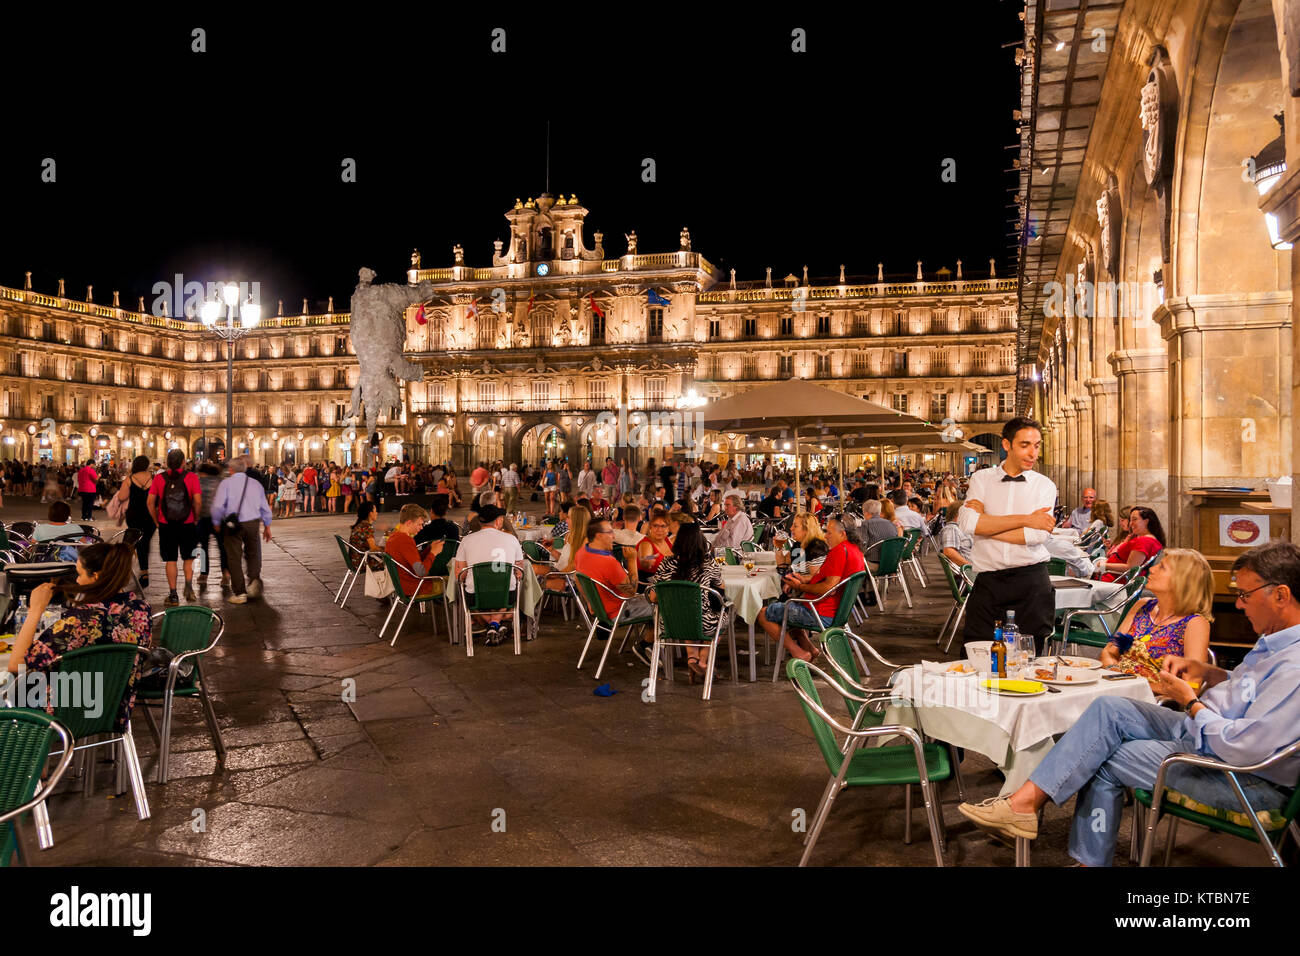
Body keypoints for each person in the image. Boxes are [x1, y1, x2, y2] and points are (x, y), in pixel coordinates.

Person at [959, 540, 1300, 866]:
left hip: (1239, 774)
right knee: (1107, 711)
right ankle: (1025, 804)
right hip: (1204, 729)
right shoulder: (1273, 642)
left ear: (1281, 595)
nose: (1238, 604)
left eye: (1244, 594)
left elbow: (1243, 746)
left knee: (1101, 753)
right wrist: (1211, 673)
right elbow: (1249, 692)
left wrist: (1192, 701)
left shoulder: (1292, 664)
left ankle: (1044, 822)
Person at [6, 541, 152, 731]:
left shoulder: (80, 620)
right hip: (114, 706)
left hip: (69, 713)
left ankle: (19, 757)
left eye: (80, 574)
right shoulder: (141, 610)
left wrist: (35, 610)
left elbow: (16, 664)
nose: (76, 580)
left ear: (96, 576)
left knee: (10, 690)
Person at [954, 417, 1059, 653]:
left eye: (1037, 445)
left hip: (1031, 582)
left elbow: (1035, 536)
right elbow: (968, 523)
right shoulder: (981, 479)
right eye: (1025, 445)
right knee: (975, 653)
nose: (1033, 453)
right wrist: (1026, 519)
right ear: (1006, 445)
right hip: (988, 583)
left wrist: (986, 527)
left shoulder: (1045, 486)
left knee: (1029, 658)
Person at [1099, 548, 1213, 693]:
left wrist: (1136, 686)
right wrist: (1116, 676)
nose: (1152, 569)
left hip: (1149, 701)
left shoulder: (1195, 623)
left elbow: (1192, 686)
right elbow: (1109, 652)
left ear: (1182, 581)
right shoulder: (1143, 605)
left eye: (1162, 567)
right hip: (1114, 686)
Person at [760, 516, 865, 662]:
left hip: (821, 612)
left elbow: (829, 587)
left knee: (763, 613)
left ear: (842, 534)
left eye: (829, 532)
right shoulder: (854, 549)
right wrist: (805, 579)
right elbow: (828, 579)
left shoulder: (837, 551)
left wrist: (800, 586)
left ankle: (798, 653)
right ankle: (810, 649)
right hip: (837, 611)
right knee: (789, 610)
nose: (826, 536)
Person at [646, 520, 725, 679]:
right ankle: (703, 659)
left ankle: (692, 658)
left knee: (685, 610)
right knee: (723, 614)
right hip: (703, 623)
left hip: (670, 623)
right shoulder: (708, 563)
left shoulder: (666, 563)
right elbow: (722, 587)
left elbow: (653, 597)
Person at [454, 504, 525, 646]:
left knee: (472, 595)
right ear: (499, 521)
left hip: (476, 597)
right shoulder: (512, 539)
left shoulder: (466, 540)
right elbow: (519, 573)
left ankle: (492, 625)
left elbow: (460, 576)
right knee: (507, 600)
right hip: (506, 594)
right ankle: (496, 624)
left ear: (480, 522)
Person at [575, 517, 652, 642]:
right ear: (599, 536)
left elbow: (577, 578)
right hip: (619, 611)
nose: (614, 537)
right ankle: (646, 645)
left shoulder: (582, 552)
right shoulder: (608, 563)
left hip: (601, 611)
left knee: (654, 600)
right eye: (610, 532)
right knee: (665, 606)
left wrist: (590, 601)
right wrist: (632, 560)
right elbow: (631, 591)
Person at [211, 455, 274, 605]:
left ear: (231, 469)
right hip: (252, 523)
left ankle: (240, 592)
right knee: (253, 553)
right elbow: (265, 507)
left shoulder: (226, 484)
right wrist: (267, 526)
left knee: (234, 557)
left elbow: (218, 506)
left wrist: (216, 522)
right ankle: (253, 581)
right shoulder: (255, 484)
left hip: (234, 525)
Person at [147, 448, 202, 607]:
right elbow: (198, 501)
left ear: (167, 462)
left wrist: (157, 521)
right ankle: (189, 588)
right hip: (187, 523)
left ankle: (173, 595)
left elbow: (150, 503)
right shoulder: (191, 477)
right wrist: (196, 517)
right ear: (184, 462)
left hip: (166, 524)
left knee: (170, 559)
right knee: (188, 558)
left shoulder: (159, 478)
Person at [112, 454, 156, 590]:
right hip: (150, 516)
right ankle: (144, 572)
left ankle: (121, 572)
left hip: (134, 516)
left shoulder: (130, 480)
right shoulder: (154, 479)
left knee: (131, 544)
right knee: (144, 542)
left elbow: (122, 496)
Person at [1099, 506, 1165, 582]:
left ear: (1146, 521)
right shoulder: (1145, 539)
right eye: (1130, 520)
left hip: (1114, 579)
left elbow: (1130, 568)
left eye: (1134, 519)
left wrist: (1103, 565)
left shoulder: (1144, 541)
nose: (1131, 523)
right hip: (1112, 576)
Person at [194, 459, 230, 588]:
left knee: (203, 547)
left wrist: (195, 517)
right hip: (220, 518)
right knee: (222, 547)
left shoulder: (198, 482)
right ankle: (226, 574)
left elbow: (196, 501)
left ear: (202, 472)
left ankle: (204, 574)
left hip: (203, 518)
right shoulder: (221, 481)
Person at [860, 498, 901, 565]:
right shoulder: (891, 523)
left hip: (873, 564)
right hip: (891, 563)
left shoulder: (866, 524)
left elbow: (863, 546)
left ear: (866, 513)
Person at [636, 512, 674, 584]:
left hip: (668, 582)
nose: (659, 529)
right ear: (650, 527)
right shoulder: (646, 544)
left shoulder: (667, 540)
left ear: (668, 528)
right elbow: (645, 558)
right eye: (655, 526)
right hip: (650, 586)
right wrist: (648, 558)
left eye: (663, 526)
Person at [349, 500, 385, 572]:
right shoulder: (366, 527)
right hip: (363, 563)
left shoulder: (360, 524)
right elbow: (373, 549)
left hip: (355, 561)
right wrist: (387, 548)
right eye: (375, 511)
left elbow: (366, 545)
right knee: (393, 563)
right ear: (370, 513)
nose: (377, 513)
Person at [938, 501, 973, 568]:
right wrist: (970, 567)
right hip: (970, 573)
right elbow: (949, 552)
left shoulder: (960, 528)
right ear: (959, 514)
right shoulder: (952, 529)